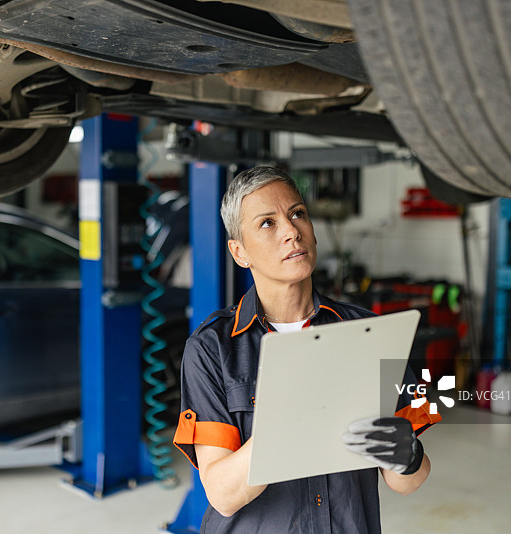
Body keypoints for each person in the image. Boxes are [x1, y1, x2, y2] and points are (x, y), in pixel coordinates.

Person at [173, 166, 440, 533]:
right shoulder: (212, 349)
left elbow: (409, 480)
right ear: (239, 252)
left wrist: (408, 456)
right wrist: (288, 421)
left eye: (297, 213)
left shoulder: (366, 332)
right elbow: (222, 493)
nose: (291, 231)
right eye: (267, 223)